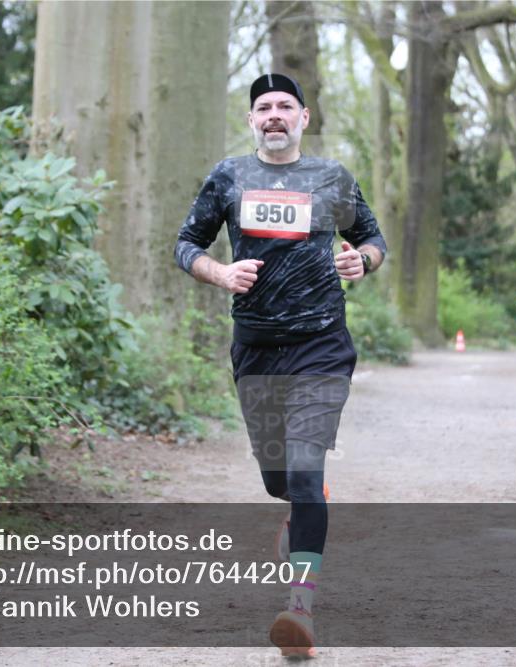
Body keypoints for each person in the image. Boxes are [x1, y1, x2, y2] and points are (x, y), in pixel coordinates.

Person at [174, 73, 387, 657]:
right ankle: (299, 521)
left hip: (321, 344)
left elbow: (372, 239)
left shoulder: (331, 179)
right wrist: (220, 274)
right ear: (251, 121)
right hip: (256, 347)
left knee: (303, 467)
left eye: (284, 106)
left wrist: (360, 263)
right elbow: (186, 244)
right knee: (281, 482)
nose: (273, 115)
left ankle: (300, 611)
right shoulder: (229, 177)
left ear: (303, 118)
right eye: (263, 107)